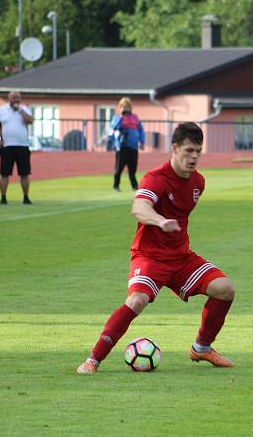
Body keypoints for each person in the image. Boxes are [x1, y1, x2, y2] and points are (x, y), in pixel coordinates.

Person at [77, 122, 236, 374]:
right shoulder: (156, 179)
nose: (194, 157)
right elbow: (139, 208)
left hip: (181, 258)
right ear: (174, 148)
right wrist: (160, 221)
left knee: (225, 289)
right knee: (137, 301)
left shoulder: (198, 182)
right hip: (149, 257)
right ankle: (93, 360)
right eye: (188, 151)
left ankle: (202, 348)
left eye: (198, 151)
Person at [0, 91, 34, 205]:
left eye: (18, 97)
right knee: (4, 173)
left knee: (24, 173)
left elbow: (30, 121)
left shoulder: (24, 109)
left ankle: (26, 197)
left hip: (22, 146)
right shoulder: (1, 110)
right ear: (9, 99)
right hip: (7, 146)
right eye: (13, 97)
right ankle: (3, 197)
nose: (16, 100)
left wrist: (20, 110)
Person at [109, 97, 145, 191]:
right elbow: (113, 127)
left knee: (133, 168)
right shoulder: (117, 117)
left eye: (127, 106)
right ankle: (116, 185)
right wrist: (120, 117)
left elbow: (141, 130)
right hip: (122, 146)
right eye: (124, 106)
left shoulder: (135, 117)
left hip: (133, 146)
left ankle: (135, 186)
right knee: (119, 167)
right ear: (120, 107)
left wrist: (142, 142)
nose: (126, 109)